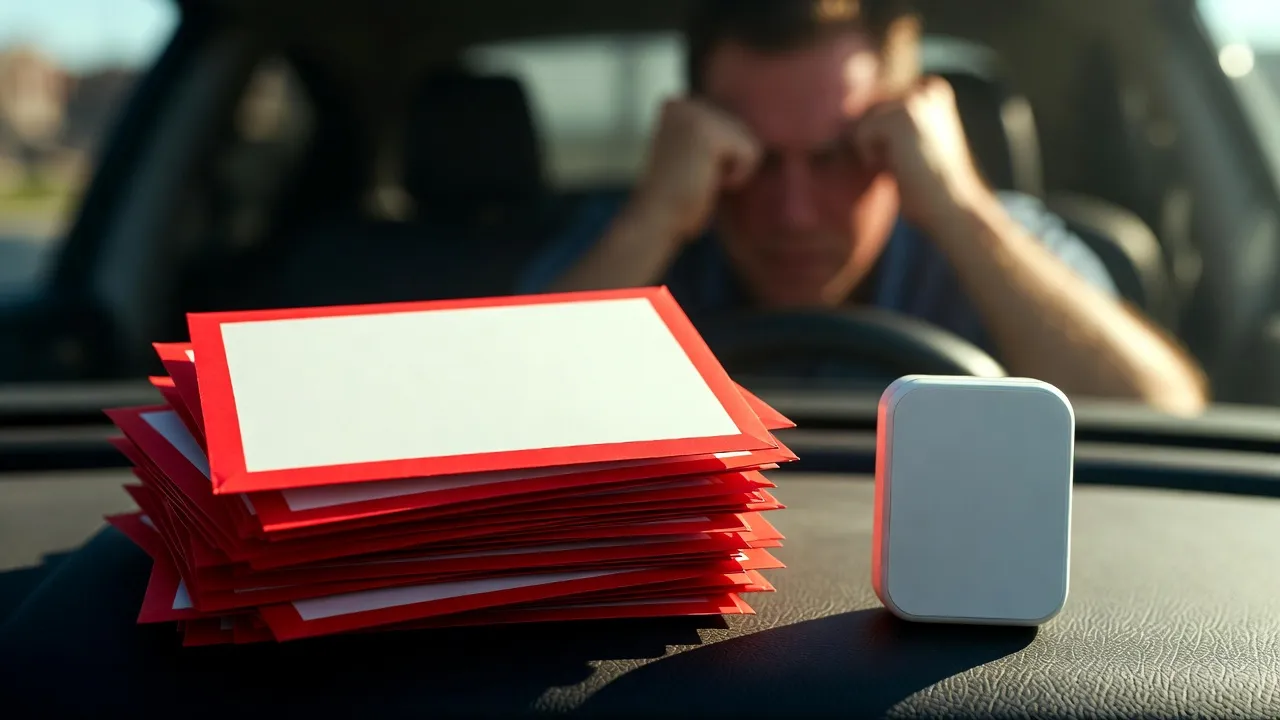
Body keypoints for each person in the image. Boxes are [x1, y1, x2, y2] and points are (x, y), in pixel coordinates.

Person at [517, 0, 1208, 415]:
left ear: (899, 136)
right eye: (752, 160)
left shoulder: (998, 244)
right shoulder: (632, 242)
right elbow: (497, 415)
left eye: (834, 159)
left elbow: (1162, 416)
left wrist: (961, 207)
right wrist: (654, 221)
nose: (793, 214)